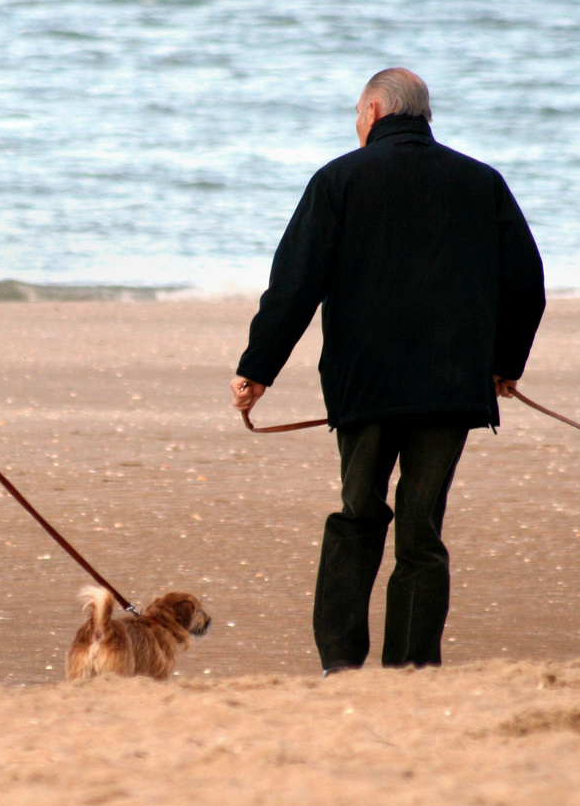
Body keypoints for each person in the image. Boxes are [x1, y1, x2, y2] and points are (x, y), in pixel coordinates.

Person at [231, 68, 545, 673]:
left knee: (358, 517)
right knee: (422, 531)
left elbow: (295, 283)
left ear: (374, 110)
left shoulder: (339, 180)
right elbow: (526, 281)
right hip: (451, 390)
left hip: (366, 387)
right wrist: (505, 364)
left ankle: (341, 665)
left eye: (356, 114)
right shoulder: (481, 182)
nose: (356, 125)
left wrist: (258, 370)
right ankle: (411, 667)